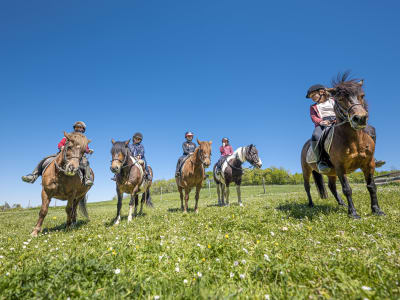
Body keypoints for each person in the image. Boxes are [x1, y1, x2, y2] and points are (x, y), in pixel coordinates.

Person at [306, 84, 385, 173]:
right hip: (323, 124)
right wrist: (320, 122)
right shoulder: (313, 107)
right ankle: (321, 160)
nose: (312, 98)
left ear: (321, 92)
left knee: (370, 129)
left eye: (313, 95)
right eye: (311, 97)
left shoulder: (334, 100)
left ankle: (371, 157)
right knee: (316, 135)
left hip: (339, 121)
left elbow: (342, 108)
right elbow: (313, 117)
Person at [21, 121, 94, 186]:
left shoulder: (84, 140)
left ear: (83, 129)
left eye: (80, 127)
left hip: (77, 157)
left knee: (85, 163)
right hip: (64, 155)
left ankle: (87, 179)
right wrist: (61, 147)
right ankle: (33, 175)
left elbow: (85, 149)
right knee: (45, 160)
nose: (78, 129)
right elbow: (60, 144)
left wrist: (89, 151)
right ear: (74, 128)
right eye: (77, 127)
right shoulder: (68, 136)